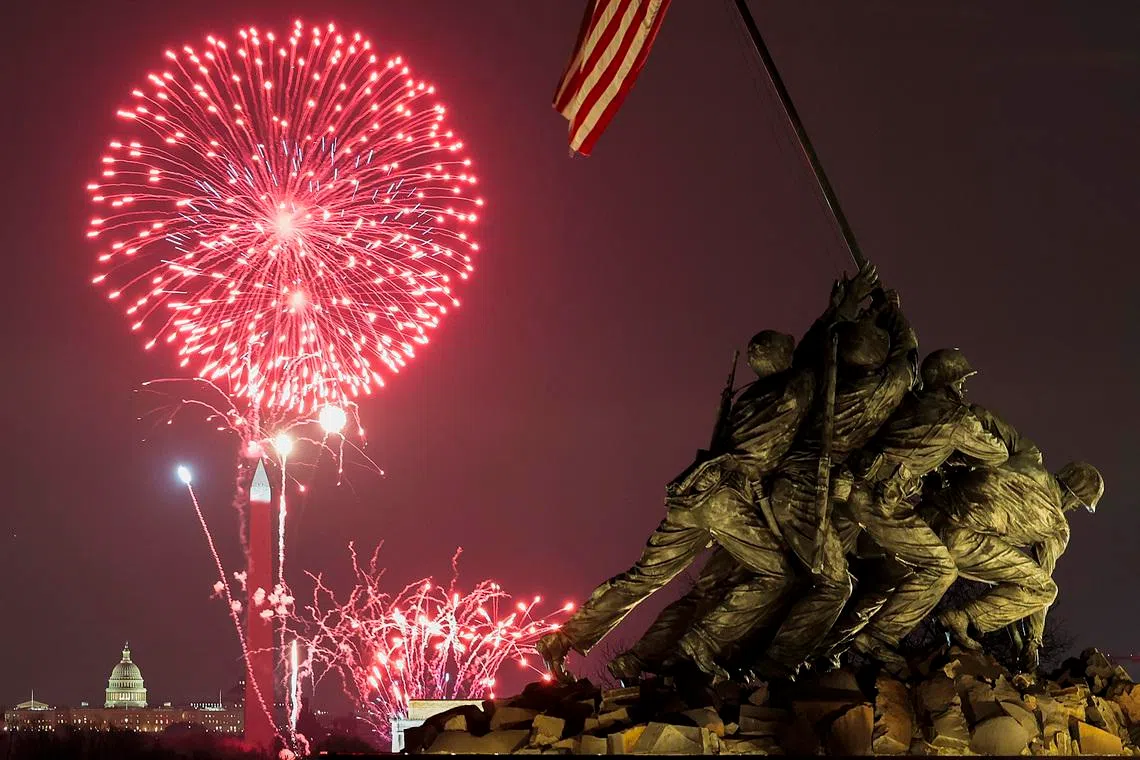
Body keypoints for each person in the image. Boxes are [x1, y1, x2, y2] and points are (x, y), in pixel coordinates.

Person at [536, 329, 812, 684]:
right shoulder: (792, 390)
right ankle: (703, 642)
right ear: (781, 357)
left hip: (692, 493)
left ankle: (563, 638)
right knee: (779, 574)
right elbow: (811, 364)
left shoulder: (750, 399)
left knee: (645, 576)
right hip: (726, 499)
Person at [838, 348, 1009, 674]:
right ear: (949, 385)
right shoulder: (954, 418)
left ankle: (839, 643)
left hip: (855, 488)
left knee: (879, 574)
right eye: (961, 384)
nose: (963, 390)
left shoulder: (911, 404)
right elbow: (996, 454)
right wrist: (974, 418)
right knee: (941, 567)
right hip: (879, 502)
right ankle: (879, 636)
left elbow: (921, 447)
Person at [930, 444, 1103, 672]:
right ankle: (964, 618)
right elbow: (1038, 580)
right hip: (961, 540)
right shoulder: (1056, 526)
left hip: (931, 512)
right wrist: (1032, 641)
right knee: (1044, 590)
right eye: (1078, 506)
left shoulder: (1027, 458)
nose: (1074, 509)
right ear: (1074, 498)